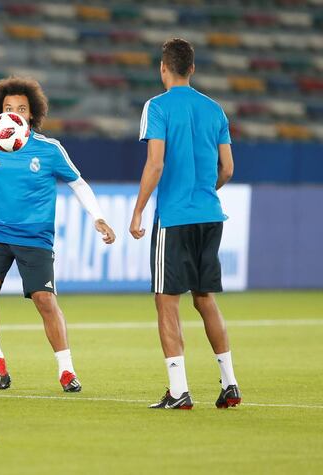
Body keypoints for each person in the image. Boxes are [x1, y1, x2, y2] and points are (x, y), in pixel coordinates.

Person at [0, 77, 115, 392]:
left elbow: (78, 182)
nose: (13, 113)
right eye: (7, 108)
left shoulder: (49, 149)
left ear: (31, 114)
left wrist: (97, 217)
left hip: (35, 238)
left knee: (45, 300)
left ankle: (67, 370)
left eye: (20, 108)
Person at [130, 38, 241, 410]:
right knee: (205, 298)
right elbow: (226, 169)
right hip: (210, 215)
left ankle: (179, 391)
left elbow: (155, 163)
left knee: (166, 301)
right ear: (192, 68)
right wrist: (205, 191)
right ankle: (230, 384)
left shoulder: (156, 107)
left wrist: (138, 210)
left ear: (163, 68)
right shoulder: (215, 110)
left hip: (175, 218)